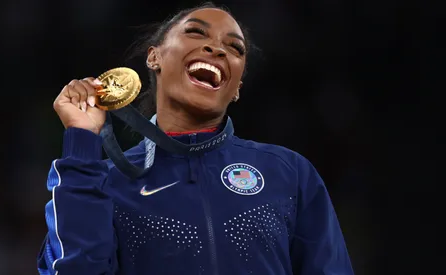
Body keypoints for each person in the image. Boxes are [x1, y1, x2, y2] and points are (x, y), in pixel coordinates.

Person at [37, 2, 354, 275]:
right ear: (154, 57)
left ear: (238, 86)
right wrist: (81, 141)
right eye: (196, 32)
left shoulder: (288, 173)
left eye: (234, 48)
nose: (217, 48)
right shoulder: (103, 182)